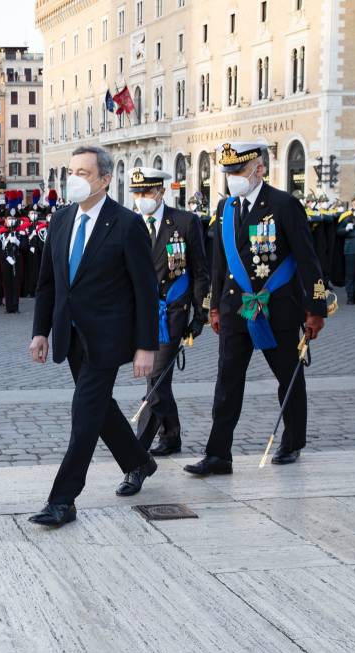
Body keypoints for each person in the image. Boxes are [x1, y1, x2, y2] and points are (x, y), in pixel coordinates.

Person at [28, 146, 159, 528]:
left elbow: (146, 290)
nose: (74, 179)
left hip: (108, 338)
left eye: (83, 173)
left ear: (104, 179)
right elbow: (48, 283)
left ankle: (62, 500)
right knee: (100, 408)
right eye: (72, 172)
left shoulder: (126, 224)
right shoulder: (61, 219)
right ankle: (138, 461)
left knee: (84, 412)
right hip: (70, 335)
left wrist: (146, 346)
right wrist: (40, 331)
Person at [186, 141, 327, 475]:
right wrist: (214, 307)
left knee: (287, 376)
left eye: (239, 171)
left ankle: (292, 441)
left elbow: (307, 259)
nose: (233, 177)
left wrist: (316, 308)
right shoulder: (226, 207)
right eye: (229, 172)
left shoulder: (284, 204)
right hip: (235, 308)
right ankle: (218, 454)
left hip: (277, 308)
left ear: (259, 169)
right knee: (227, 382)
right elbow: (219, 262)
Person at [128, 167, 210, 456]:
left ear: (161, 192)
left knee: (156, 376)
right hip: (140, 313)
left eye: (147, 192)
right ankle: (171, 435)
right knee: (158, 379)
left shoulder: (185, 222)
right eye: (137, 193)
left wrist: (200, 314)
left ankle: (138, 449)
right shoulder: (130, 224)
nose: (141, 198)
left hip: (171, 311)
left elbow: (200, 271)